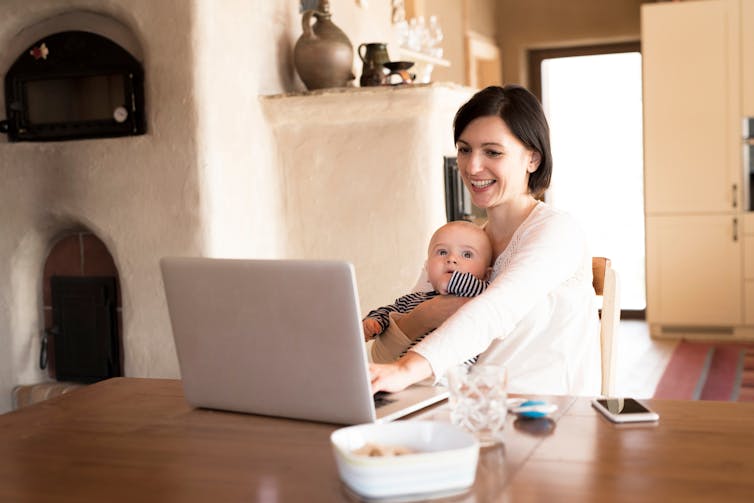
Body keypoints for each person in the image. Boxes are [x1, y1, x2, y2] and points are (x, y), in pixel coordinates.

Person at [369, 84, 600, 397]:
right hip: (468, 411)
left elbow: (496, 309)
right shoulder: (463, 243)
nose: (472, 167)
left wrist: (407, 368)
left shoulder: (557, 231)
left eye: (492, 152)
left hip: (547, 419)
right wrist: (430, 314)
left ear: (532, 159)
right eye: (465, 150)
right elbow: (382, 356)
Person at [362, 221, 492, 362]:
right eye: (442, 252)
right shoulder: (413, 300)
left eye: (467, 254)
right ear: (427, 269)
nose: (451, 259)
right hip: (409, 373)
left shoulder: (480, 295)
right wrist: (374, 321)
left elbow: (486, 293)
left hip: (452, 373)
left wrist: (450, 281)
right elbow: (391, 311)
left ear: (486, 275)